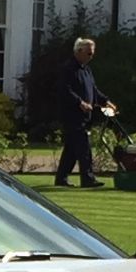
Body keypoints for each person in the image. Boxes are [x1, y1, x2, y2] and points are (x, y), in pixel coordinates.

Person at [55, 37, 111, 188]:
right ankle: (88, 178)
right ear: (79, 51)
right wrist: (80, 102)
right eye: (89, 53)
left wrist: (105, 101)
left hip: (85, 116)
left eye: (92, 54)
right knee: (83, 146)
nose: (91, 57)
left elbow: (93, 89)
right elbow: (65, 90)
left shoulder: (86, 69)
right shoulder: (68, 69)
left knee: (71, 149)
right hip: (72, 115)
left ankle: (61, 178)